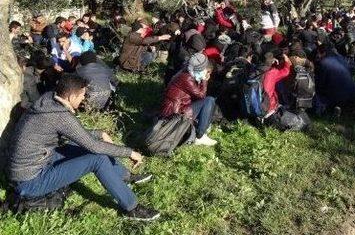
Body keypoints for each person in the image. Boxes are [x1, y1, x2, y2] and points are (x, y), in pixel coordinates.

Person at [7, 74, 159, 221]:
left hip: (33, 164)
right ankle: (132, 208)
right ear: (72, 97)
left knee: (81, 146)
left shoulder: (47, 100)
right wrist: (130, 152)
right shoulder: (59, 116)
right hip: (30, 181)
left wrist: (99, 133)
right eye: (82, 96)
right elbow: (93, 146)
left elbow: (76, 136)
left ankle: (125, 176)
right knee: (97, 158)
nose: (83, 99)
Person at [159, 53, 218, 146]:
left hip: (176, 108)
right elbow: (201, 95)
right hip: (175, 114)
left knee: (206, 102)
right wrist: (205, 81)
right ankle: (200, 136)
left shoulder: (186, 73)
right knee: (209, 100)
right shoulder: (187, 78)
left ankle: (200, 127)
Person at [314, 44, 355, 116]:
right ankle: (344, 108)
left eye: (318, 53)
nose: (317, 55)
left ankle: (326, 109)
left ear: (323, 52)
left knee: (316, 94)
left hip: (335, 96)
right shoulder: (341, 59)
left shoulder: (323, 63)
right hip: (352, 93)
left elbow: (320, 85)